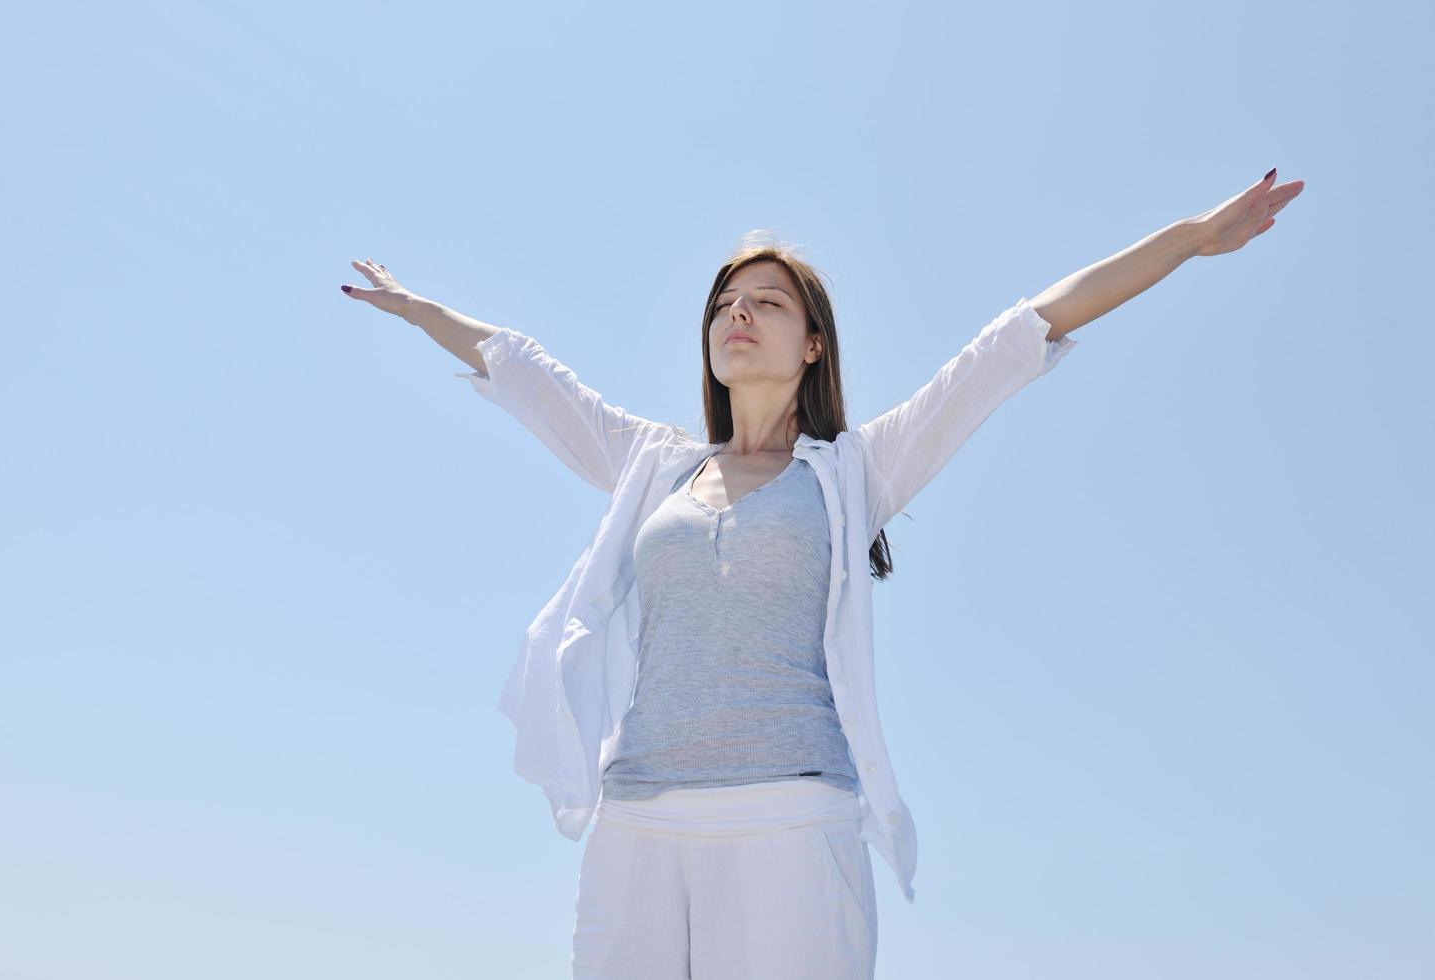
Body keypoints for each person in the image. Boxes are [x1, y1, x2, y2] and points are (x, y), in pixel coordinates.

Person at [340, 169, 1304, 979]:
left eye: (766, 300)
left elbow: (1017, 338)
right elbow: (524, 370)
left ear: (812, 343)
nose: (737, 313)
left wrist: (1187, 238)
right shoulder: (650, 464)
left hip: (793, 824)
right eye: (724, 303)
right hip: (637, 824)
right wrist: (420, 309)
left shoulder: (854, 474)